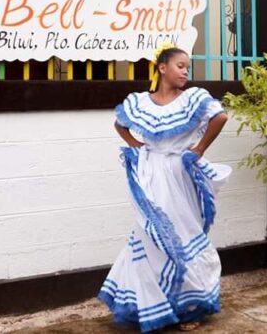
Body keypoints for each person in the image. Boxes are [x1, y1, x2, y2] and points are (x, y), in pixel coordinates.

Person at [98, 44, 230, 332]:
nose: (186, 71)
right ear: (162, 68)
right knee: (148, 235)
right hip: (150, 173)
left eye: (187, 67)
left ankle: (190, 306)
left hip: (178, 174)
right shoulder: (140, 102)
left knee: (184, 233)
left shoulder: (193, 99)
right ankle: (152, 306)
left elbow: (220, 116)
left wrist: (199, 149)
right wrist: (135, 144)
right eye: (180, 65)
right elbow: (121, 124)